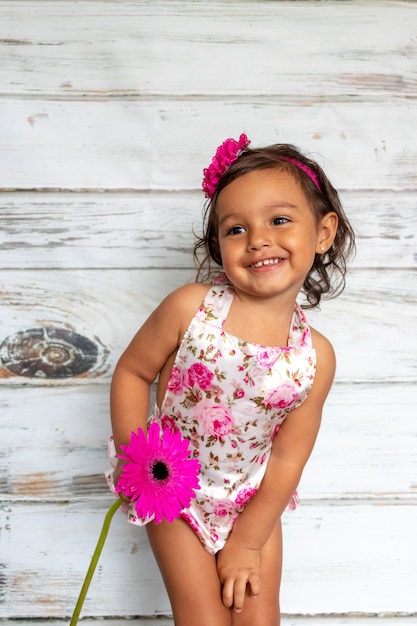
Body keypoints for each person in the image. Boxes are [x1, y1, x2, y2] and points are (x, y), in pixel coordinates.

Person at [108, 134, 355, 626]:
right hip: (175, 492)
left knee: (259, 621)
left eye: (279, 220)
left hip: (251, 504)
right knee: (203, 619)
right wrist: (137, 462)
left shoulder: (315, 358)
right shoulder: (191, 309)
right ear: (218, 244)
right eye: (236, 228)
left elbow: (287, 459)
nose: (258, 239)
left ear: (323, 232)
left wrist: (246, 542)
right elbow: (133, 373)